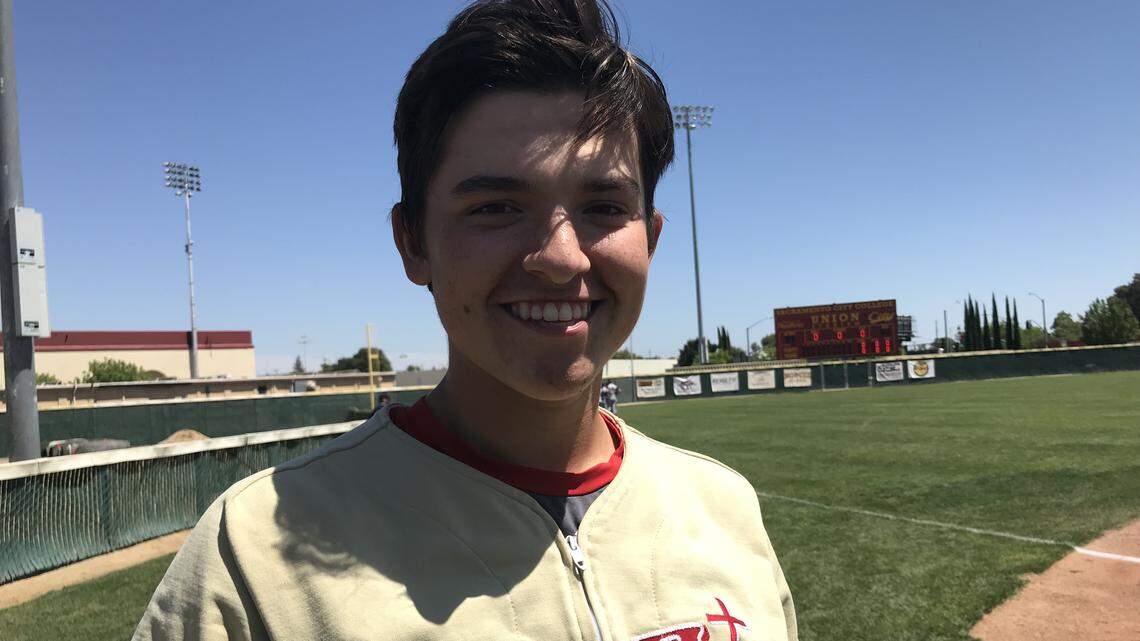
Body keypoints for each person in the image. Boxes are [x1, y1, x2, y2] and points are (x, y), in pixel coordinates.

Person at [134, 2, 796, 640]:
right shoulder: (249, 559)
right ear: (413, 243)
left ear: (650, 238)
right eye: (496, 208)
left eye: (603, 207)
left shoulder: (724, 508)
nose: (561, 259)